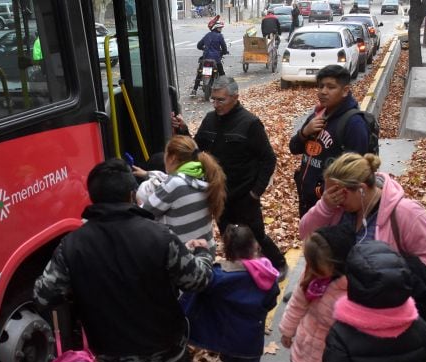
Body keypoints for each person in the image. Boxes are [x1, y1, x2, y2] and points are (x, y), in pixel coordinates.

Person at [32, 158, 214, 362]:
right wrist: (204, 253)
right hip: (166, 346)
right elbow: (197, 280)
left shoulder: (72, 245)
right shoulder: (160, 236)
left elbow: (43, 294)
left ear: (93, 199)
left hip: (113, 356)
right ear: (133, 195)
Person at [172, 76, 290, 278]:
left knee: (255, 235)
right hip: (219, 194)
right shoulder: (209, 119)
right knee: (229, 236)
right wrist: (183, 130)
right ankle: (240, 270)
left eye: (221, 100)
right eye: (214, 99)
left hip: (245, 195)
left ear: (235, 97)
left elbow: (268, 159)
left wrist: (255, 192)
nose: (216, 104)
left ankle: (279, 264)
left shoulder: (250, 123)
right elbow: (199, 151)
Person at [182, 225, 280, 362]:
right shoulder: (267, 275)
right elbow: (271, 301)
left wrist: (199, 253)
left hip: (226, 337)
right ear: (254, 246)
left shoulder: (218, 277)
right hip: (251, 338)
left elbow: (198, 287)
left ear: (226, 250)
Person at [276, 223, 355, 362]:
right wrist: (287, 330)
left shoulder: (350, 291)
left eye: (317, 268)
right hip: (306, 347)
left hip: (330, 359)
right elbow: (297, 302)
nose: (311, 272)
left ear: (338, 264)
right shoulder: (313, 277)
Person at [299, 152, 426, 272]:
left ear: (361, 189)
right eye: (328, 191)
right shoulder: (334, 207)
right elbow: (305, 234)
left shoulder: (406, 212)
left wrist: (395, 283)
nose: (333, 197)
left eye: (338, 192)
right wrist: (324, 206)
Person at [290, 64, 371, 217]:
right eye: (320, 87)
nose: (323, 92)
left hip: (333, 209)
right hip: (307, 201)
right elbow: (293, 148)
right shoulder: (317, 115)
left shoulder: (354, 124)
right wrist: (304, 132)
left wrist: (323, 191)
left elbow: (355, 172)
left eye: (330, 87)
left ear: (345, 91)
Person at [134, 135, 227, 247]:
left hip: (184, 256)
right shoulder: (205, 175)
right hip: (205, 250)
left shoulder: (175, 184)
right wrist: (147, 174)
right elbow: (173, 180)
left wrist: (138, 201)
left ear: (172, 158)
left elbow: (145, 213)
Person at [191, 16, 228, 97]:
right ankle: (226, 90)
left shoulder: (207, 35)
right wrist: (224, 52)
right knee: (221, 73)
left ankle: (194, 90)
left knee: (200, 73)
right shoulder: (220, 36)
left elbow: (199, 45)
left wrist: (203, 48)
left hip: (205, 58)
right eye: (219, 28)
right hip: (216, 59)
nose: (221, 29)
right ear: (216, 28)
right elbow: (224, 48)